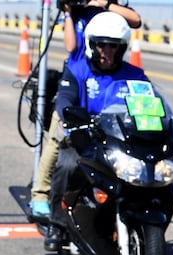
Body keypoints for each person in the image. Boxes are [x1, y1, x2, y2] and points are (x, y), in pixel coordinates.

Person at [29, 0, 141, 219]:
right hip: (79, 76)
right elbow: (71, 47)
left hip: (108, 76)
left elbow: (135, 20)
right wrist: (69, 12)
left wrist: (104, 4)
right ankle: (40, 194)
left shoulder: (114, 12)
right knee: (57, 136)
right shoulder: (78, 14)